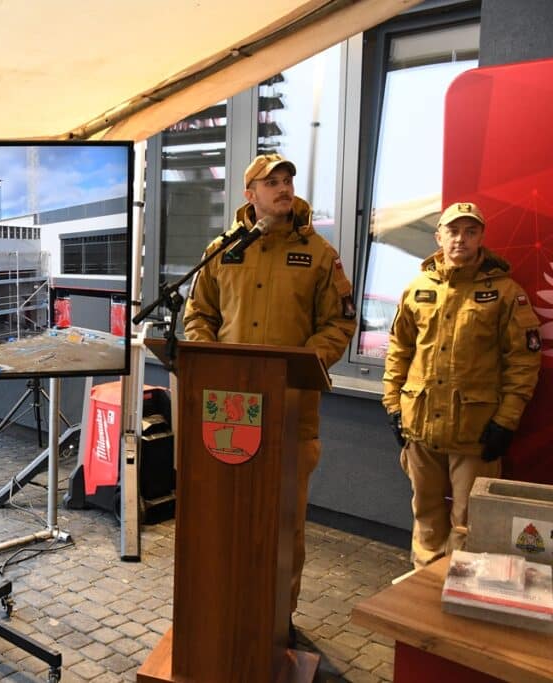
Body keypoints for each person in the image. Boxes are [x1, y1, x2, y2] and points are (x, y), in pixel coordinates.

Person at [183, 153, 356, 642]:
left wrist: (295, 368)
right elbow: (199, 316)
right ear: (250, 194)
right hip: (227, 411)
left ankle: (279, 615)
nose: (283, 189)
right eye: (271, 182)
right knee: (225, 513)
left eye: (287, 181)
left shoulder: (318, 254)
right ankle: (224, 605)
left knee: (283, 523)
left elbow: (339, 324)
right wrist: (212, 361)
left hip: (289, 412)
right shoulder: (222, 250)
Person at [382, 201, 541, 570]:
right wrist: (393, 406)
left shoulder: (504, 292)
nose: (460, 239)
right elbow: (399, 351)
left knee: (469, 521)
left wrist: (506, 421)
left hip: (476, 431)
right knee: (425, 514)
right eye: (453, 231)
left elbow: (523, 362)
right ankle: (423, 586)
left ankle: (456, 590)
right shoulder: (417, 289)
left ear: (481, 237)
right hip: (421, 426)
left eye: (470, 232)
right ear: (439, 237)